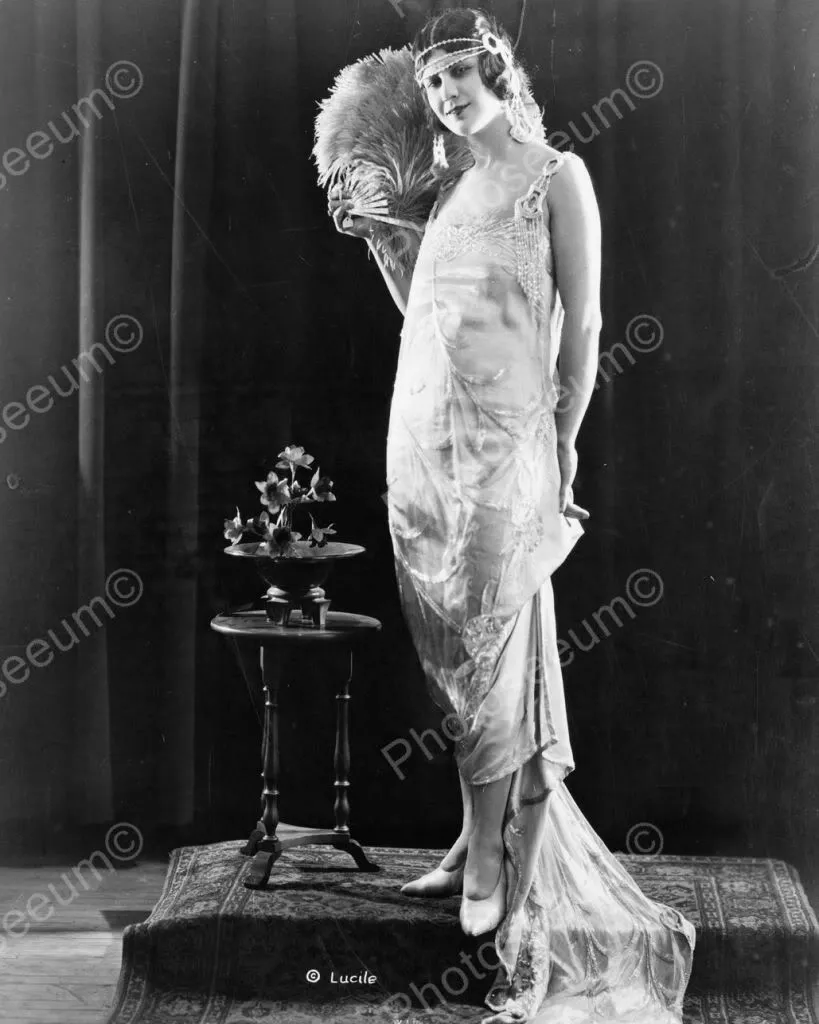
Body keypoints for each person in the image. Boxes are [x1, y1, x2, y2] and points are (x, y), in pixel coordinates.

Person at [328, 9, 695, 1023]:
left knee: (501, 662)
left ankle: (505, 886)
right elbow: (426, 312)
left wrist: (568, 440)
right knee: (455, 657)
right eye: (433, 82)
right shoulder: (446, 191)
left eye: (459, 75)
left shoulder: (555, 176)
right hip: (427, 447)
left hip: (508, 452)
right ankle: (466, 838)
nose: (447, 95)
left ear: (497, 71)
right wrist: (379, 241)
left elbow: (586, 322)